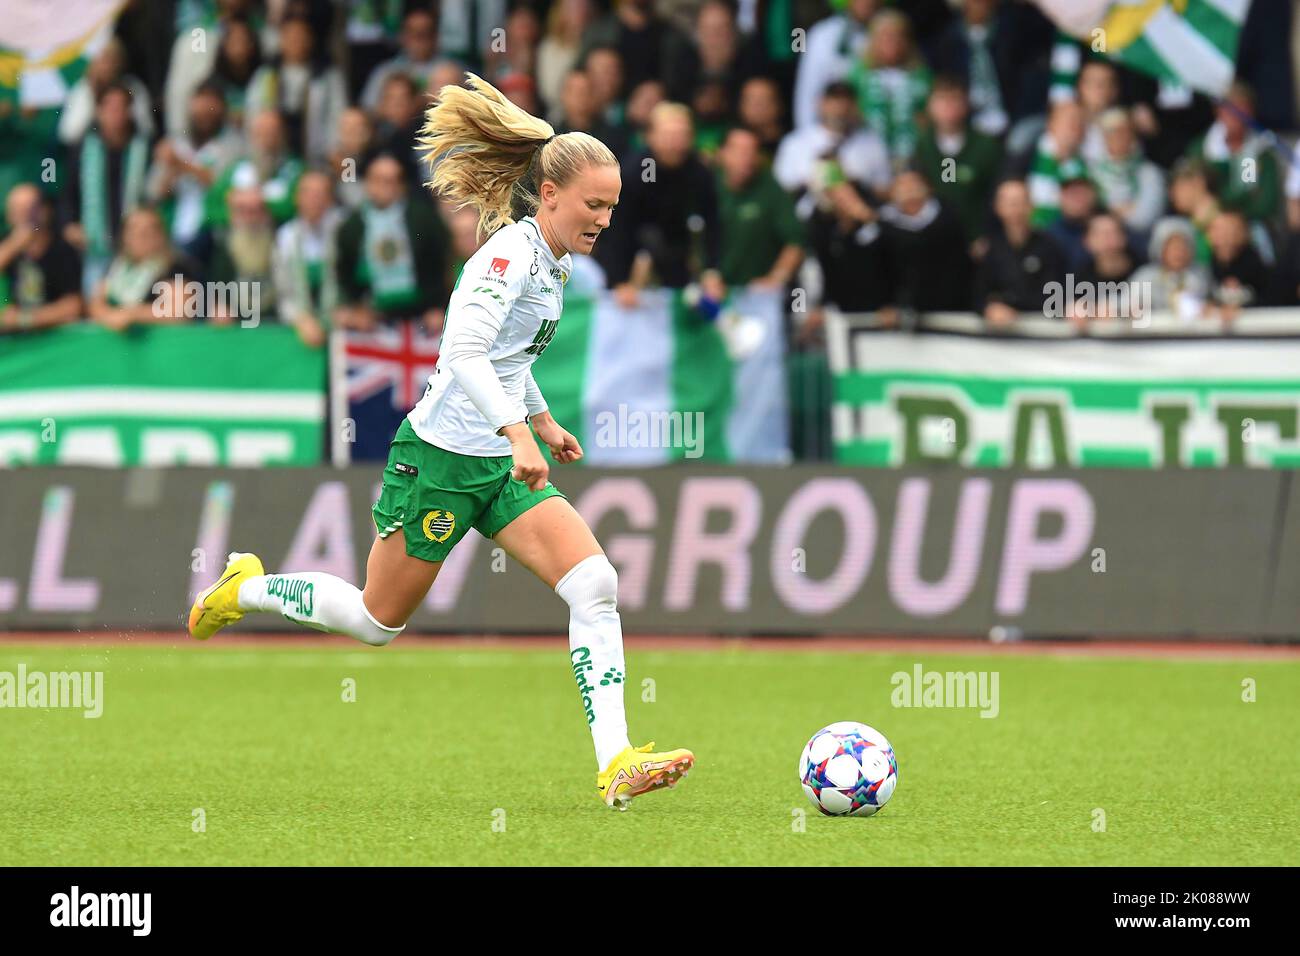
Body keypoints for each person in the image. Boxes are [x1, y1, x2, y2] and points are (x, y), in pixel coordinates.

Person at [187, 73, 694, 809]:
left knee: (595, 584)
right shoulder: (506, 259)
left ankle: (615, 760)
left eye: (612, 206)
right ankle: (249, 587)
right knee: (374, 622)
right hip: (441, 462)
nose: (605, 219)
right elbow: (462, 354)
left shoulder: (553, 266)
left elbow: (509, 360)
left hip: (499, 461)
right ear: (548, 195)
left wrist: (541, 420)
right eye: (594, 204)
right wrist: (519, 430)